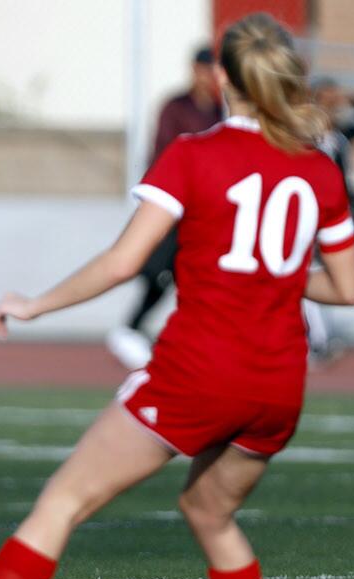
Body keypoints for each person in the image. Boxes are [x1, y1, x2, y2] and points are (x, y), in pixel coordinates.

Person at [0, 13, 354, 579]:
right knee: (210, 511)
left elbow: (122, 261)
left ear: (222, 77)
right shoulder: (317, 166)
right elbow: (346, 287)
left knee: (62, 502)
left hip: (198, 373)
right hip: (277, 386)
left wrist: (36, 304)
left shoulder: (195, 154)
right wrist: (277, 275)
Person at [106, 46, 223, 371]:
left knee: (193, 274)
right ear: (194, 69)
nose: (208, 75)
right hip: (174, 204)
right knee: (158, 272)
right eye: (204, 68)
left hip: (204, 209)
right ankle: (130, 328)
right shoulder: (175, 106)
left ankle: (188, 339)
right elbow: (163, 152)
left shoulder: (217, 109)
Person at [303, 78, 354, 364]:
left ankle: (320, 337)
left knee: (334, 275)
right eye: (325, 100)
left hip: (338, 213)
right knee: (309, 270)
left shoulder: (340, 135)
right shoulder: (309, 137)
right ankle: (318, 340)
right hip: (315, 212)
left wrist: (350, 99)